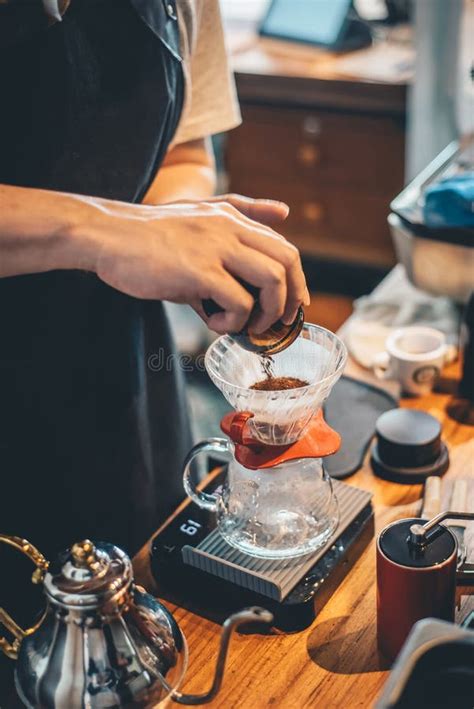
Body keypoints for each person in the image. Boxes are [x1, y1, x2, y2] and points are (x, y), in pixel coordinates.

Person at [0, 0, 308, 694]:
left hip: (119, 380)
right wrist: (105, 232)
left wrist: (172, 223)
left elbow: (183, 149)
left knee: (128, 646)